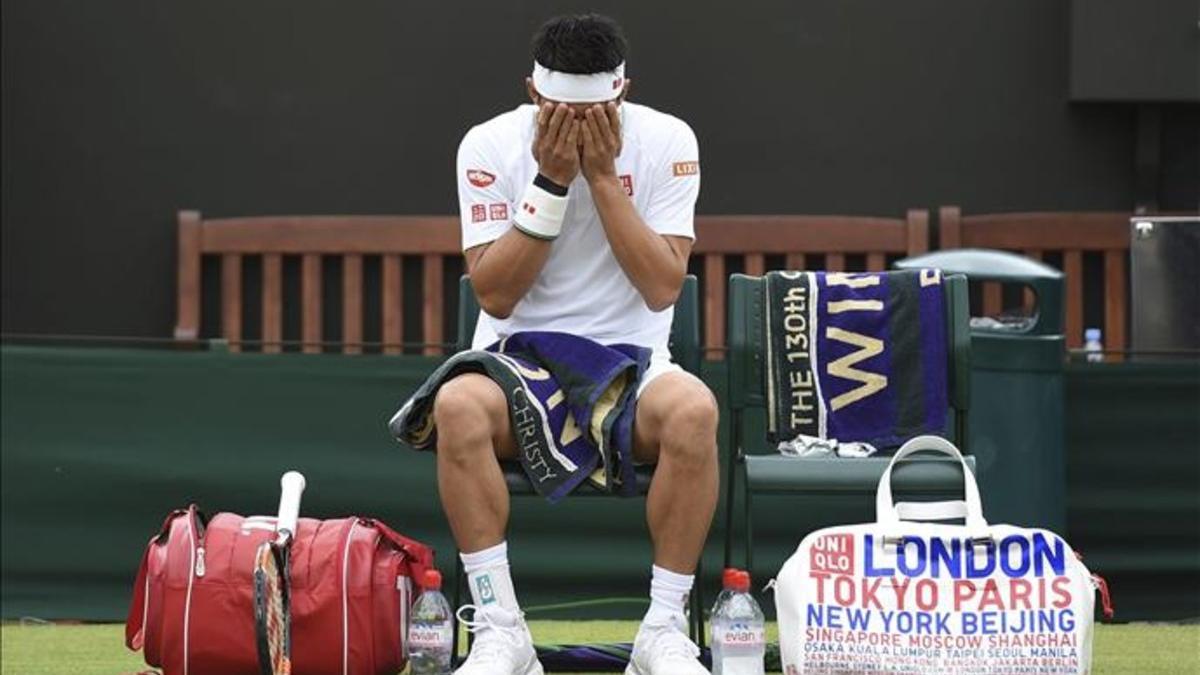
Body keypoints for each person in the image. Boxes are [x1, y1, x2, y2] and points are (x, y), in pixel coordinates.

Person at [440, 13, 717, 675]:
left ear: (623, 95)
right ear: (534, 95)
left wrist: (601, 177)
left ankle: (663, 628)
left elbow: (660, 287)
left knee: (697, 412)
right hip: (517, 361)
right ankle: (499, 631)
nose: (581, 125)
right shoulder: (486, 144)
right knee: (455, 407)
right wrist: (551, 182)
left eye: (597, 112)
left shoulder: (669, 138)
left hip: (636, 364)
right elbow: (495, 296)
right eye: (563, 112)